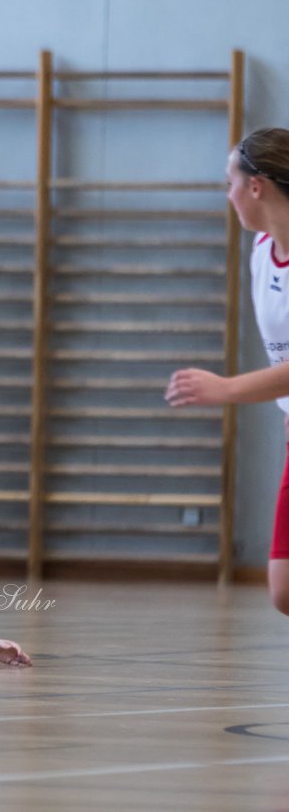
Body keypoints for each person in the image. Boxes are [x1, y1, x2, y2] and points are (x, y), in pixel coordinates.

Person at [167, 127, 289, 618]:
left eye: (229, 182)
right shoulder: (263, 249)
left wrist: (227, 388)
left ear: (255, 186)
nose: (228, 195)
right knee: (284, 590)